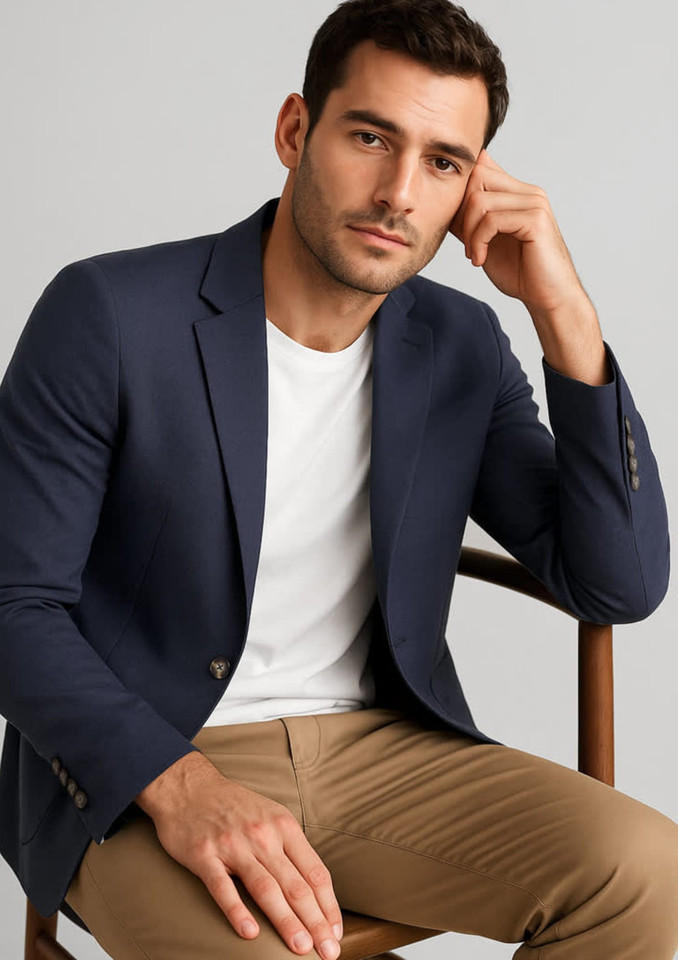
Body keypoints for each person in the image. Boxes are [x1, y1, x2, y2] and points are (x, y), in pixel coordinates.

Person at [1, 0, 676, 957]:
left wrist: (565, 313)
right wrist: (183, 784)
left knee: (648, 873)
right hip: (151, 761)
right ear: (294, 130)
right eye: (371, 137)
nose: (400, 193)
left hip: (385, 750)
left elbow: (617, 582)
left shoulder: (459, 344)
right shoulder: (109, 314)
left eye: (443, 162)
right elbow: (13, 605)